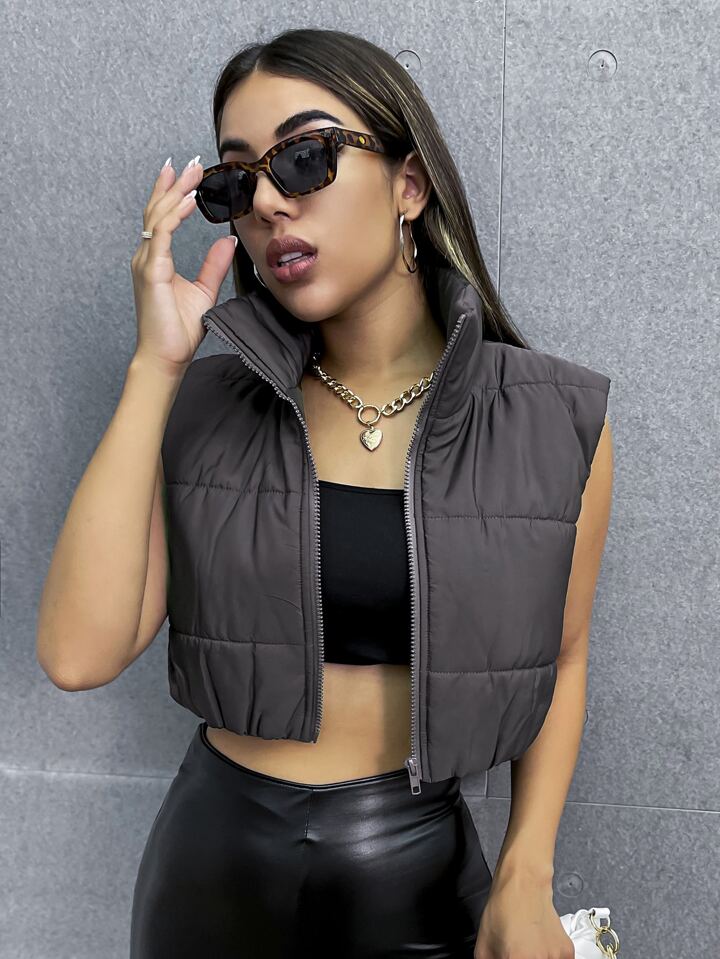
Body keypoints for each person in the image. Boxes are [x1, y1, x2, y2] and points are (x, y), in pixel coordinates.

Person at [36, 27, 612, 959]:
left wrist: (525, 869)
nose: (267, 201)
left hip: (418, 884)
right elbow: (77, 653)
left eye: (304, 158)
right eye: (236, 183)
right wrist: (156, 367)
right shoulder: (204, 406)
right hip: (208, 879)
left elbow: (564, 654)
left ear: (409, 186)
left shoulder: (548, 419)